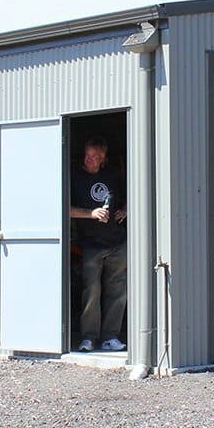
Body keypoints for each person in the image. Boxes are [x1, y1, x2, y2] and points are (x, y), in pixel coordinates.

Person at [69, 137, 127, 352]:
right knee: (91, 291)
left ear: (103, 159)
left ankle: (110, 337)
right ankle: (88, 338)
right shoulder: (74, 177)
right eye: (87, 155)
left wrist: (126, 209)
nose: (89, 160)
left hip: (117, 241)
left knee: (118, 290)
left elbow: (132, 194)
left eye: (94, 157)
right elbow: (62, 207)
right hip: (91, 244)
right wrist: (91, 214)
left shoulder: (113, 175)